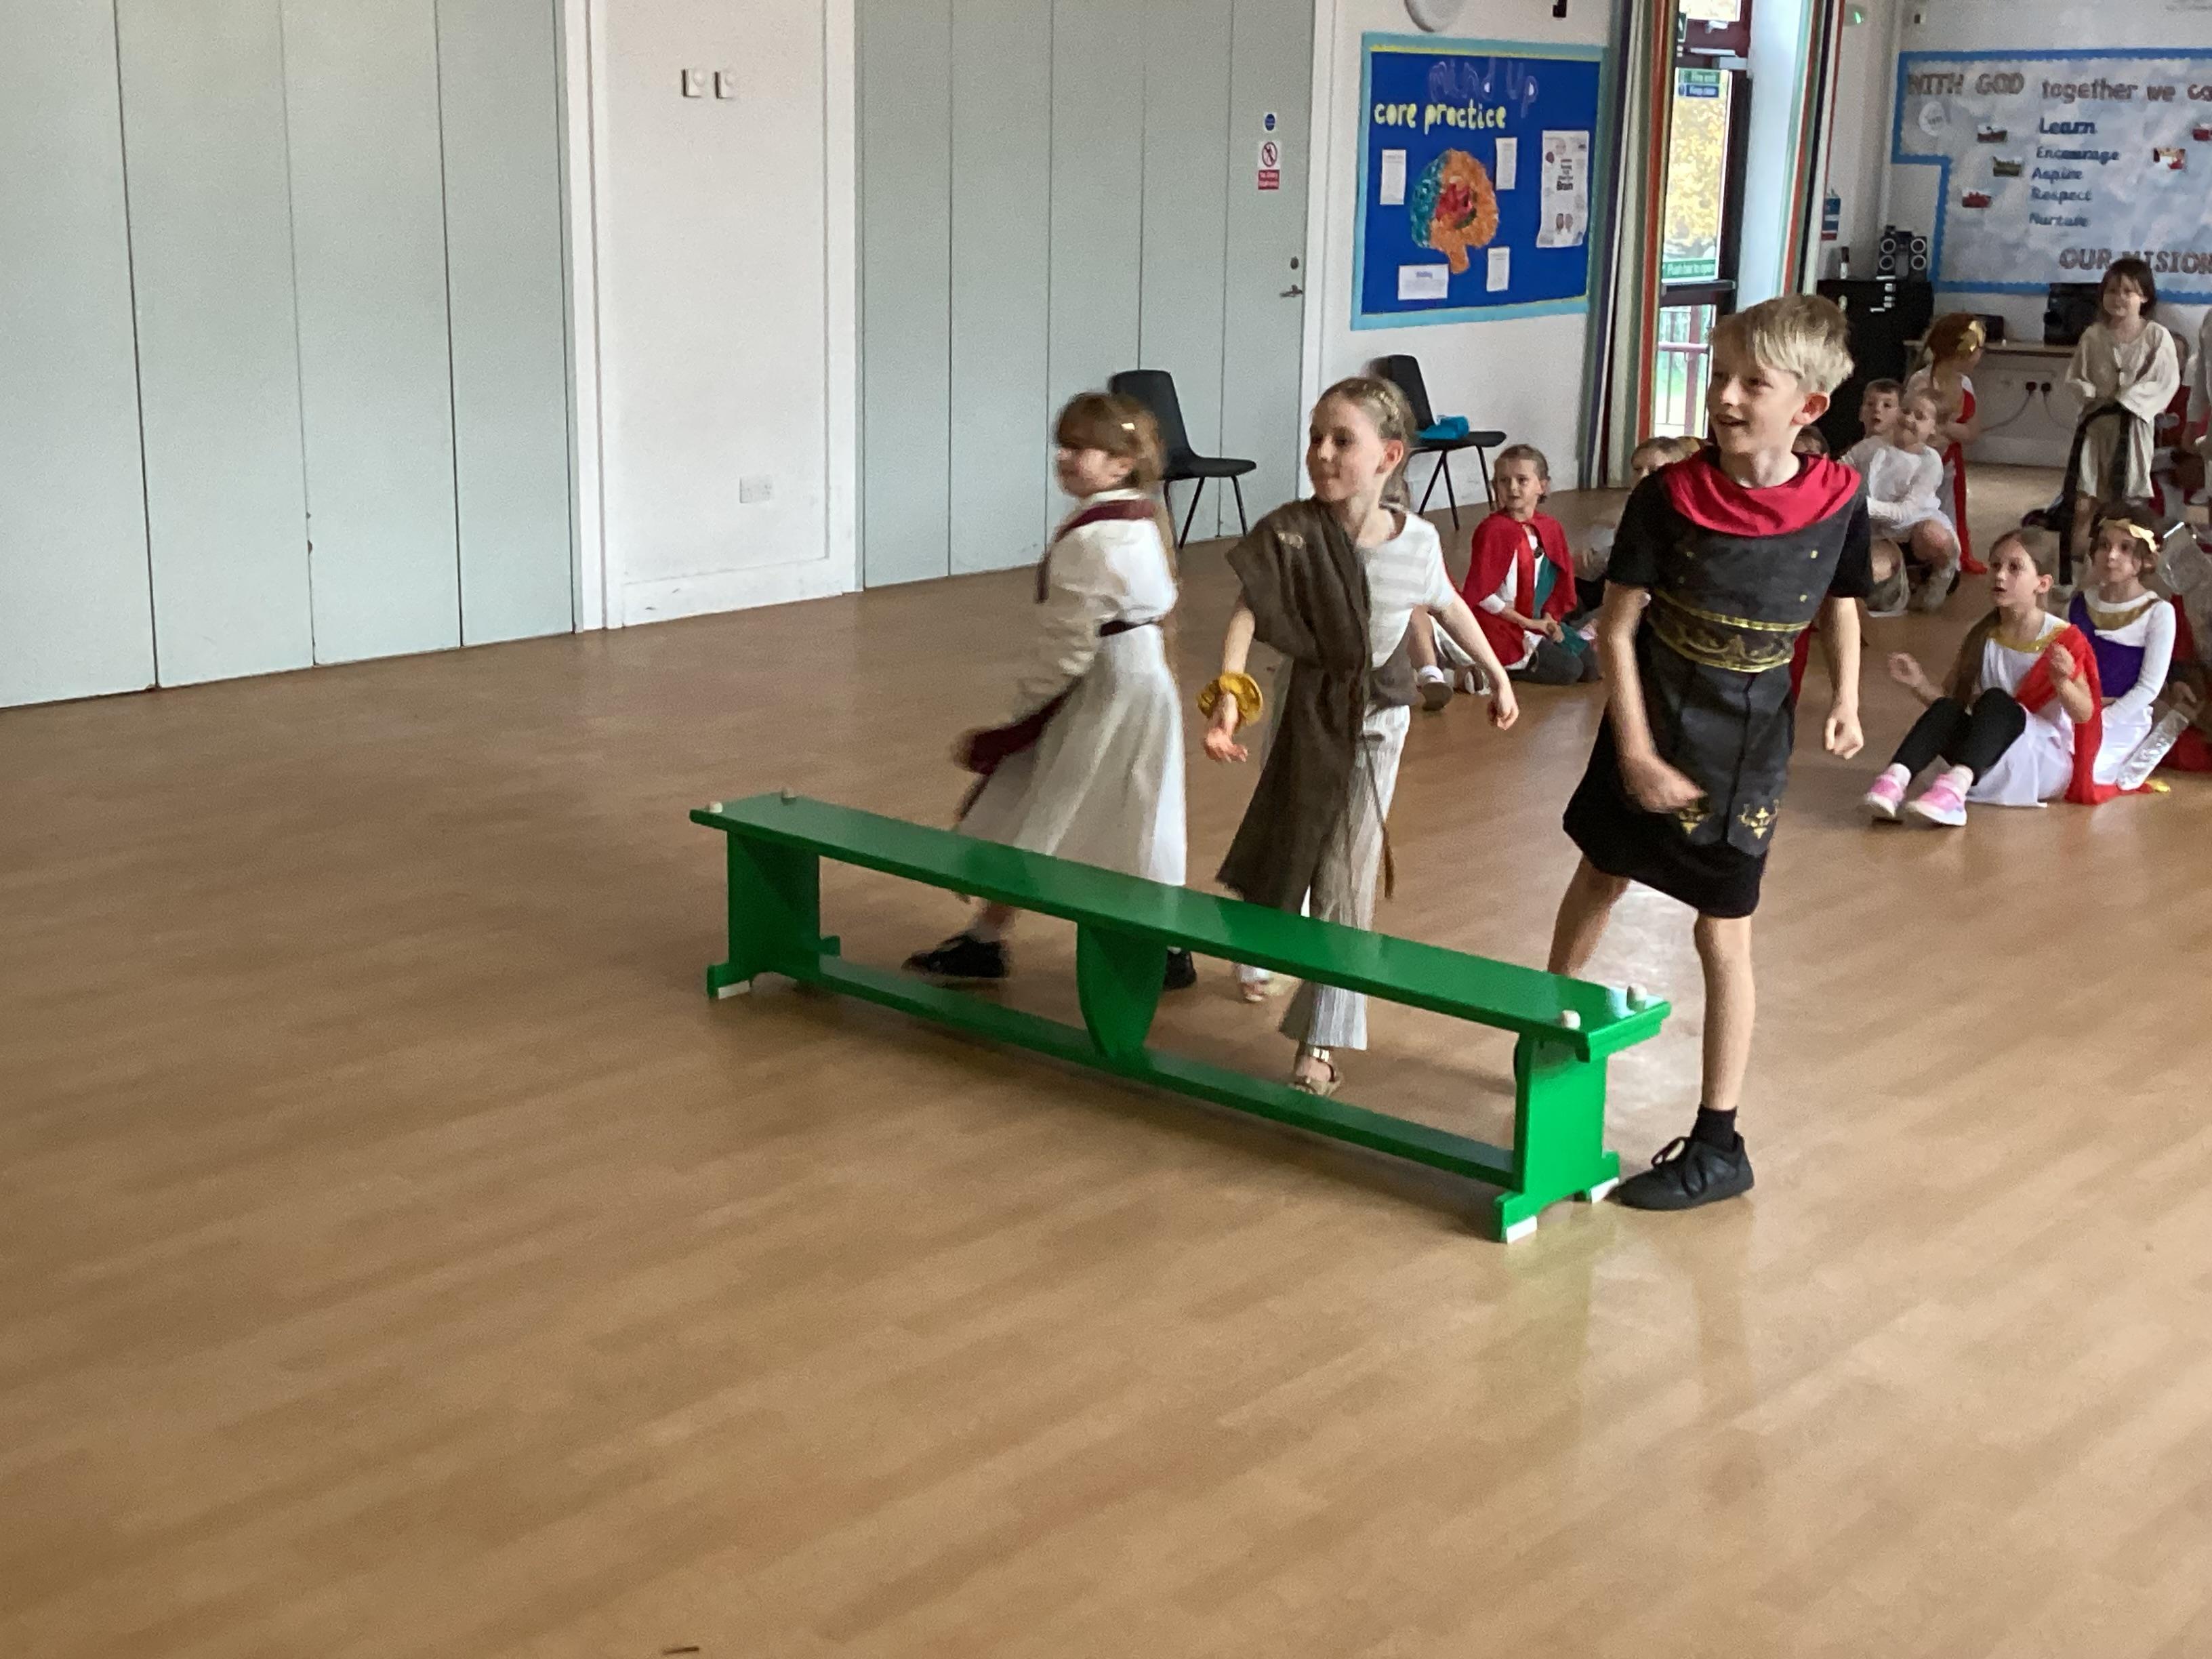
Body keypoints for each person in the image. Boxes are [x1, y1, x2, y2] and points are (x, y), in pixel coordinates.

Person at [1549, 294, 1869, 1212]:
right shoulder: (1669, 496)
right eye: (1718, 375)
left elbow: (1842, 602)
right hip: (1653, 721)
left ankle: (1720, 1142)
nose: (1724, 396)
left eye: (1751, 383)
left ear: (1808, 406)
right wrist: (1635, 751)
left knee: (1723, 930)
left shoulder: (1839, 503)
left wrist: (1846, 699)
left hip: (1747, 750)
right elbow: (1617, 632)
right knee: (1602, 873)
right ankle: (1545, 1026)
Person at [1202, 377, 1519, 1095]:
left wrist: (1497, 673)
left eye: (1341, 440)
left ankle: (1320, 1040)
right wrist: (1228, 697)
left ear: (1389, 455)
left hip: (1377, 722)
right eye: (1315, 437)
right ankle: (1264, 951)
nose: (1321, 453)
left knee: (1346, 876)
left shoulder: (1419, 543)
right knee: (1290, 840)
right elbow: (1249, 612)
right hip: (1304, 710)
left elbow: (1448, 605)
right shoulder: (1291, 532)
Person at [906, 392, 1191, 987]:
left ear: (1120, 463)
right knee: (1138, 810)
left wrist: (1022, 716)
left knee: (1045, 804)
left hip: (1105, 687)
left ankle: (991, 938)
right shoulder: (1138, 518)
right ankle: (1162, 944)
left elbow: (1067, 644)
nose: (1064, 457)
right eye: (1062, 445)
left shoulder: (1095, 539)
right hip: (1137, 683)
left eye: (1080, 447)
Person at [1862, 532, 2102, 826]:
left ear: (2042, 583)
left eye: (2014, 568)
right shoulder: (1982, 634)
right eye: (1996, 565)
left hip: (2039, 760)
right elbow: (1954, 708)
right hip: (1988, 752)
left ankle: (1955, 789)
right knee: (1948, 709)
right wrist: (1919, 684)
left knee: (1996, 701)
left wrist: (2063, 682)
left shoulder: (2063, 640)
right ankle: (1894, 780)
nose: (2000, 575)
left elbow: (2085, 713)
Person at [1415, 444, 1597, 704]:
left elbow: (1558, 581)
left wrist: (1549, 619)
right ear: (1495, 486)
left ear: (1542, 486)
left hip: (1536, 620)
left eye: (1522, 480)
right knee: (1570, 670)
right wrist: (1527, 623)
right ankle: (1496, 668)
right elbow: (1482, 594)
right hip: (1502, 622)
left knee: (1591, 667)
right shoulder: (1493, 530)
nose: (1512, 488)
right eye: (1504, 481)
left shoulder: (1550, 528)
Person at [2062, 259, 2182, 577]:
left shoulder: (2156, 337)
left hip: (2133, 430)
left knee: (2127, 503)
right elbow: (2076, 377)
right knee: (2084, 502)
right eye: (2112, 291)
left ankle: (2128, 567)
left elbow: (2164, 380)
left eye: (2129, 292)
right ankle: (2074, 570)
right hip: (2097, 430)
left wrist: (2129, 400)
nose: (2119, 298)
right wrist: (2090, 393)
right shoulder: (2093, 336)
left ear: (2144, 297)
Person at [2069, 508, 2177, 790]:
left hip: (2123, 719)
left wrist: (2100, 720)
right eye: (2104, 545)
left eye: (2125, 548)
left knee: (2081, 770)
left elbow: (2149, 688)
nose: (2111, 556)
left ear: (2146, 559)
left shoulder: (2158, 613)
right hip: (2074, 708)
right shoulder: (2080, 602)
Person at [1847, 388, 1959, 615]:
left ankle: (1942, 572)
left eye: (1920, 417)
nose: (1908, 419)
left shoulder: (1929, 461)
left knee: (1932, 534)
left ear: (1934, 428)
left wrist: (1860, 505)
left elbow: (1905, 513)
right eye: (1906, 411)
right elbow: (1843, 467)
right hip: (1880, 533)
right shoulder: (1872, 446)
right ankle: (1901, 579)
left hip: (1914, 530)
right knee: (1861, 572)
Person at [1907, 314, 1989, 574]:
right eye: (1979, 348)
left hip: (1950, 462)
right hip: (1919, 463)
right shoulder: (1922, 382)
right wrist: (1946, 429)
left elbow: (1972, 432)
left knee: (1953, 511)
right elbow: (1915, 429)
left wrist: (1942, 426)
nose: (1982, 354)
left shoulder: (1965, 384)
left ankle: (1953, 558)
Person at [1576, 438, 1685, 621]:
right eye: (1637, 469)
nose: (1643, 477)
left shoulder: (1680, 519)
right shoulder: (1632, 509)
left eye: (1654, 471)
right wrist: (1591, 556)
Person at [1856, 379, 1902, 447]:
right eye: (1870, 404)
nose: (1877, 409)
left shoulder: (1902, 453)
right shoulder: (1852, 452)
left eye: (1887, 405)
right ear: (1861, 413)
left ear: (1901, 416)